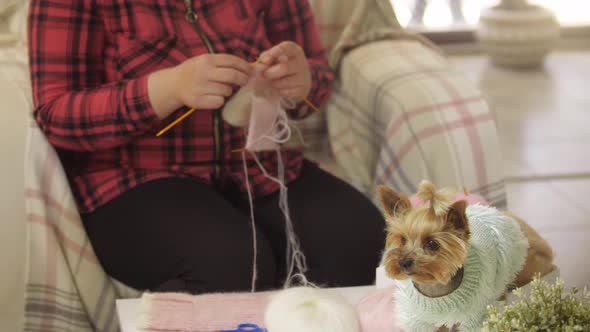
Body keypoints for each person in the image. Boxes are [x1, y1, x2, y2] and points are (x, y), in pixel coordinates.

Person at [28, 0, 385, 294]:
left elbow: (316, 82)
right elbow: (57, 116)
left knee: (361, 236)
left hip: (256, 168)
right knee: (229, 261)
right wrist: (168, 88)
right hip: (135, 179)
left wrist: (302, 78)